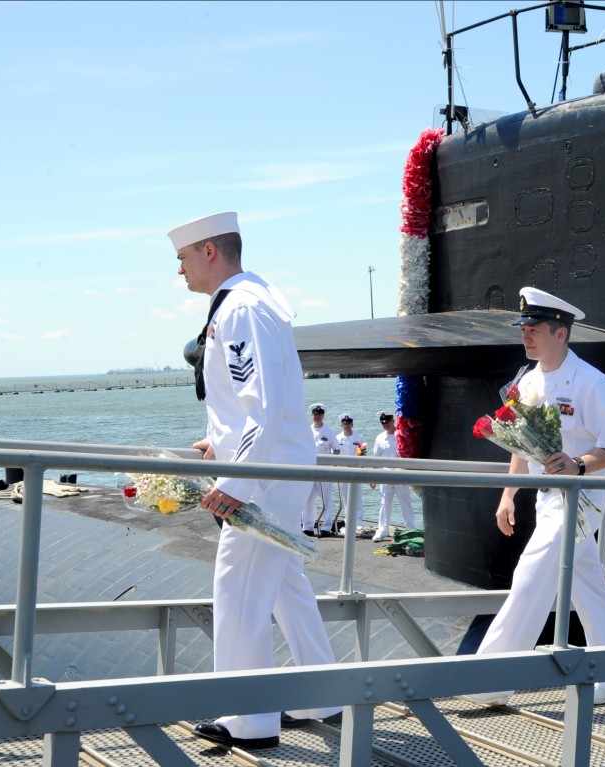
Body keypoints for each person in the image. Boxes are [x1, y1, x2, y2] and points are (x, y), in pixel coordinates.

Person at [169, 211, 341, 750]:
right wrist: (218, 443)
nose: (179, 271)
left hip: (262, 477)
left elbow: (260, 406)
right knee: (284, 581)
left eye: (182, 258)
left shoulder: (242, 308)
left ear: (210, 251)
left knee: (237, 588)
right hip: (271, 467)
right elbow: (248, 405)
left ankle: (250, 716)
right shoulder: (249, 301)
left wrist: (236, 481)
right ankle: (320, 693)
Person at [465, 287, 605, 707]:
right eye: (524, 328)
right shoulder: (526, 382)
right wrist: (508, 496)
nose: (526, 335)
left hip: (582, 497)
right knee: (587, 586)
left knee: (532, 576)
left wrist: (577, 465)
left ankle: (491, 678)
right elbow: (521, 447)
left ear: (561, 333)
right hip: (545, 499)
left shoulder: (593, 383)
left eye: (534, 328)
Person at [371, 409, 416, 541]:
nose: (385, 424)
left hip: (400, 474)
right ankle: (382, 530)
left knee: (406, 504)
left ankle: (410, 531)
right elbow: (375, 459)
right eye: (383, 422)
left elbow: (408, 455)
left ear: (393, 421)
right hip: (385, 475)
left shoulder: (401, 435)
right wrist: (373, 477)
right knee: (385, 504)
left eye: (387, 422)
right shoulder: (379, 438)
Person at [301, 403, 337, 534]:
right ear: (312, 415)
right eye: (315, 414)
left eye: (320, 414)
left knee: (326, 499)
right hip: (309, 470)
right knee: (308, 499)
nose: (317, 416)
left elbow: (336, 450)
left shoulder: (329, 431)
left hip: (324, 470)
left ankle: (326, 527)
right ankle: (307, 526)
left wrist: (332, 467)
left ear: (323, 415)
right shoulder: (306, 430)